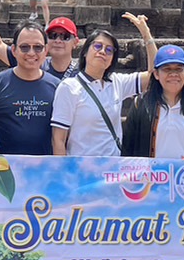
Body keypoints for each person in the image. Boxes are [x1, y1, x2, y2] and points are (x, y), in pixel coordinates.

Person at [50, 16, 155, 156]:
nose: (102, 52)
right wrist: (63, 169)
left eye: (109, 50)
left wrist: (146, 34)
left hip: (113, 167)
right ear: (85, 52)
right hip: (81, 166)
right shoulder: (69, 87)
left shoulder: (117, 82)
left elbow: (155, 75)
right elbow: (58, 140)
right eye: (97, 46)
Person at [0, 18, 61, 155]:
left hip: (45, 166)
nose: (31, 53)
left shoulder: (58, 87)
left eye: (38, 47)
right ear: (14, 50)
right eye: (24, 47)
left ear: (46, 50)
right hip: (2, 165)